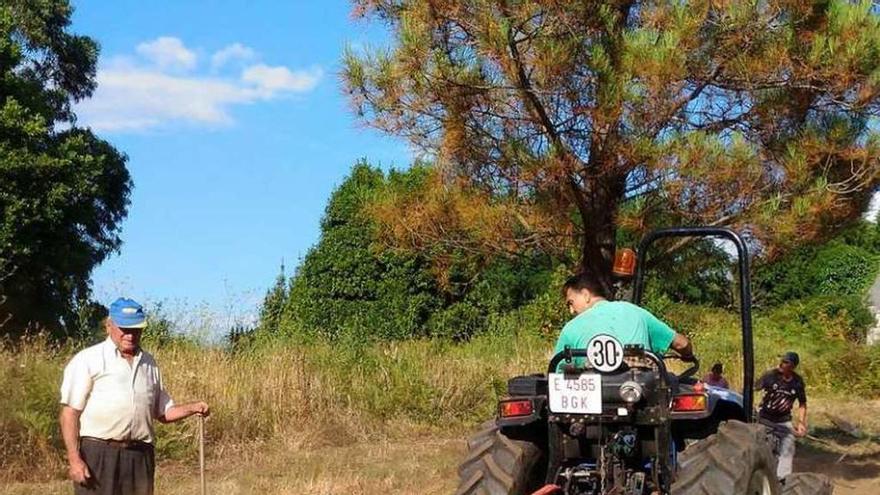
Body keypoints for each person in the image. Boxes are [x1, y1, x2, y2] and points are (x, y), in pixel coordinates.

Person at [59, 298, 210, 495]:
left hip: (139, 456)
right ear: (109, 326)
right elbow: (69, 413)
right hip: (99, 455)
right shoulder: (88, 359)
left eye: (136, 329)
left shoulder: (149, 363)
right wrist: (74, 459)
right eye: (124, 328)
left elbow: (163, 412)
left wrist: (192, 408)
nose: (130, 335)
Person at [554, 272, 695, 366]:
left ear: (586, 294)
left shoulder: (570, 328)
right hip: (638, 393)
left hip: (592, 398)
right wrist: (688, 354)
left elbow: (557, 372)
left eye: (571, 303)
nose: (571, 311)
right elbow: (681, 344)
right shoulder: (636, 311)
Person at [756, 351, 808, 481]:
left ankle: (782, 481)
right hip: (765, 419)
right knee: (762, 449)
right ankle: (760, 477)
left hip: (783, 421)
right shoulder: (771, 376)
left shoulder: (797, 382)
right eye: (782, 361)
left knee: (788, 448)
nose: (782, 364)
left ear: (793, 366)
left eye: (786, 362)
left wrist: (801, 423)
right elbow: (753, 387)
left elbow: (802, 404)